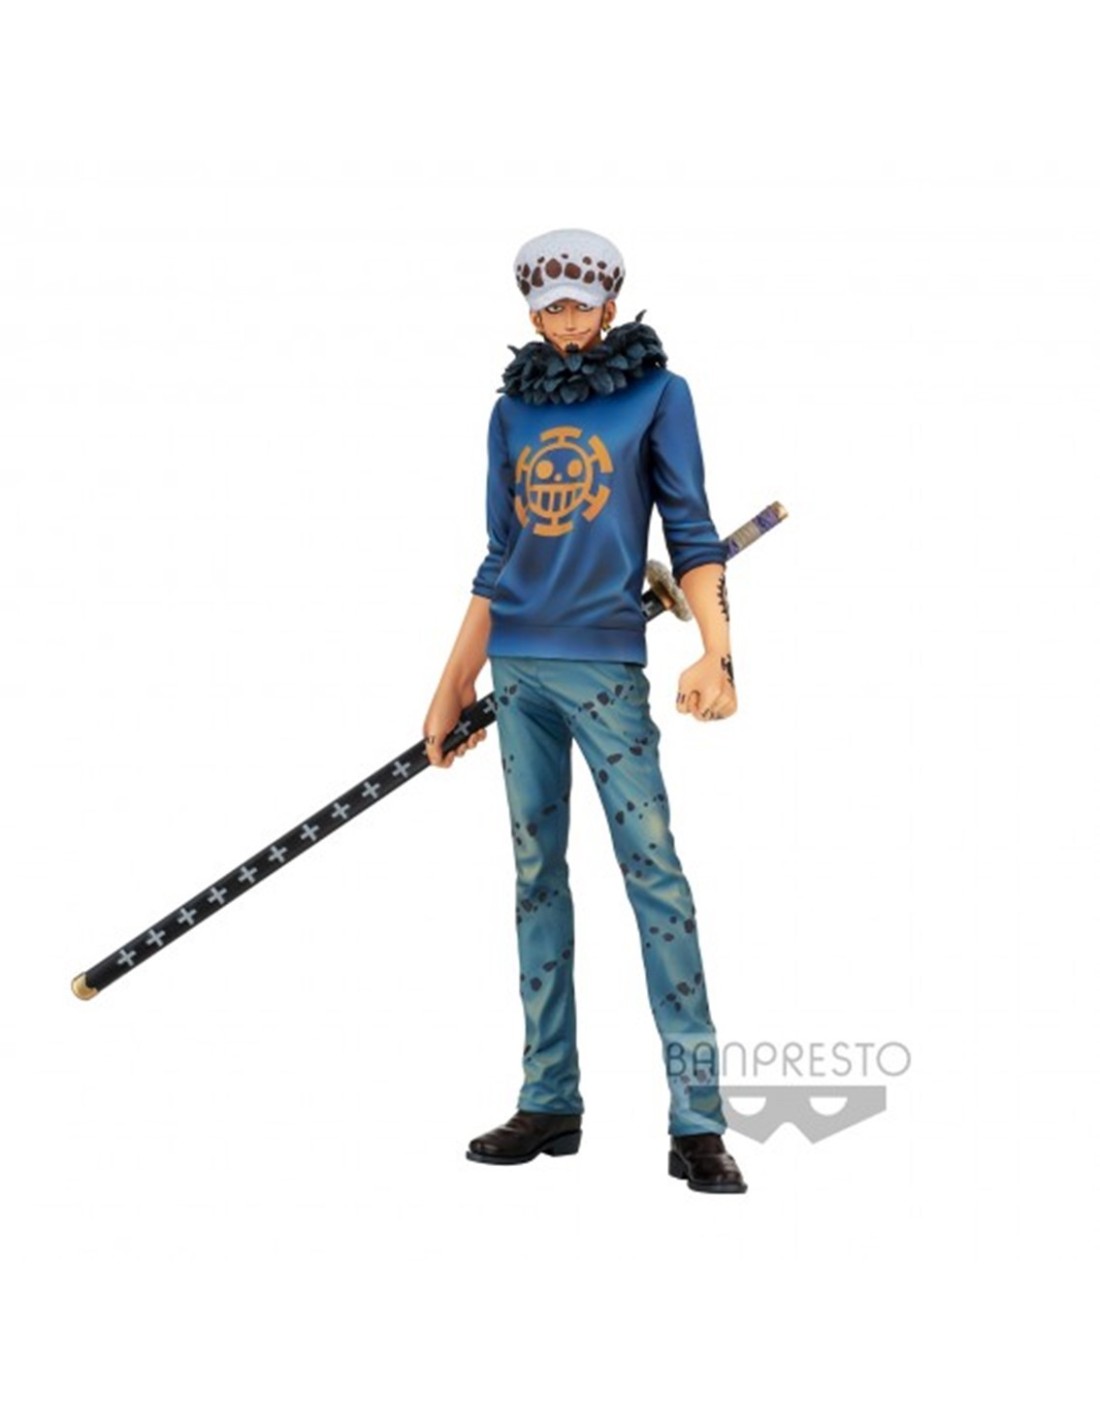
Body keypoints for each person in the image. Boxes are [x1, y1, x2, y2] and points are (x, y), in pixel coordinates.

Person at [422, 229, 747, 1193]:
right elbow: (501, 550)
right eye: (549, 307)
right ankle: (547, 1098)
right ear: (530, 312)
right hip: (518, 668)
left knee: (656, 878)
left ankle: (698, 1119)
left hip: (605, 667)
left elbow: (691, 530)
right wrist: (452, 680)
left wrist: (718, 652)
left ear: (610, 303)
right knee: (536, 879)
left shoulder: (660, 394)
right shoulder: (513, 410)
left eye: (579, 304)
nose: (565, 322)